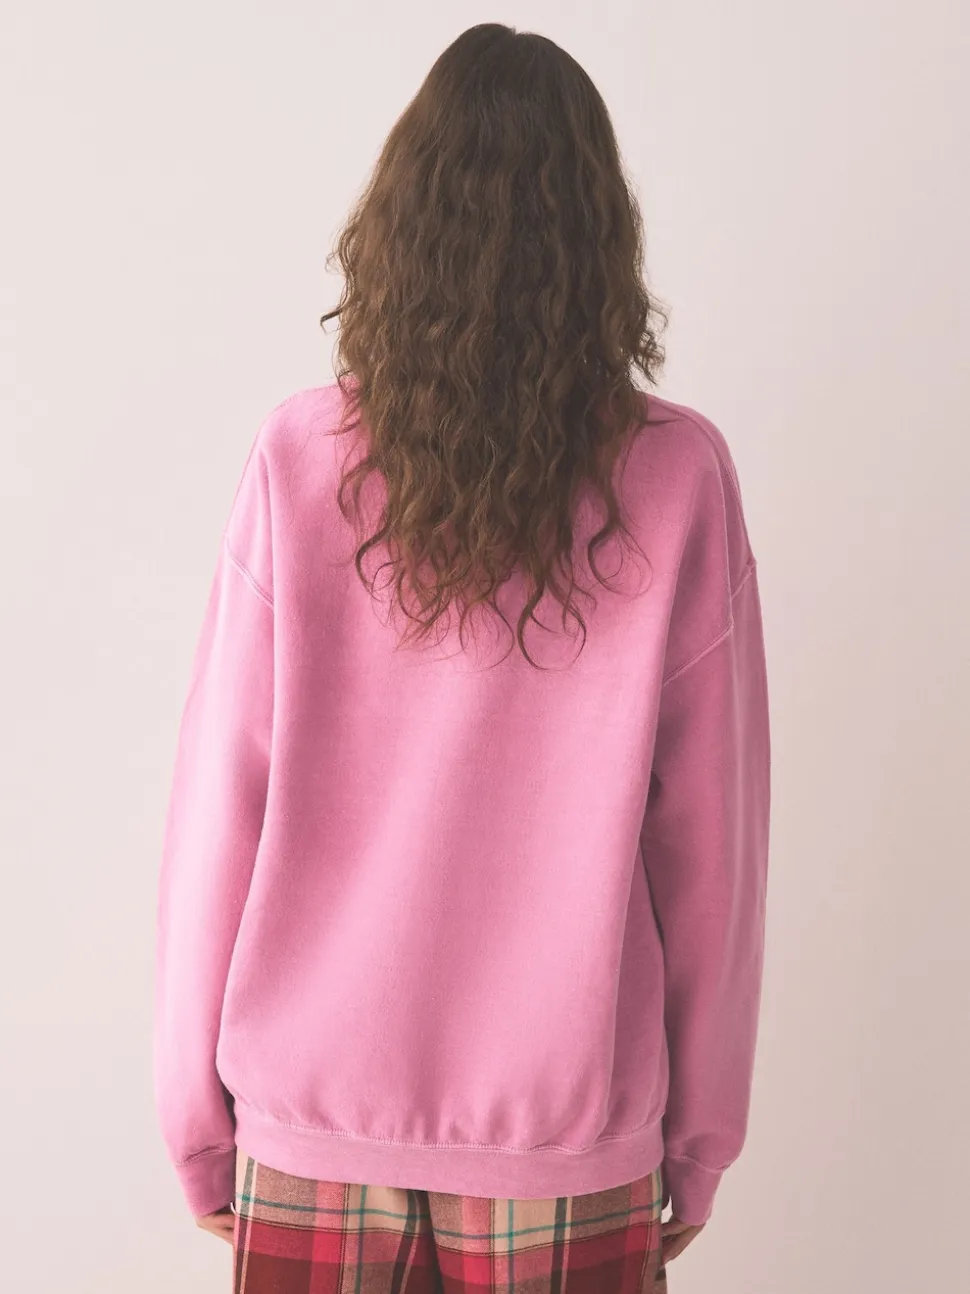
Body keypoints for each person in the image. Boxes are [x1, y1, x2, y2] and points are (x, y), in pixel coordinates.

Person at [153, 22, 771, 1293]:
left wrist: (195, 1120)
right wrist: (698, 1140)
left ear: (401, 227)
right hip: (566, 1133)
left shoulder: (298, 460)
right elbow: (713, 849)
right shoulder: (676, 477)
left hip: (313, 1122)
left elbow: (218, 806)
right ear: (599, 241)